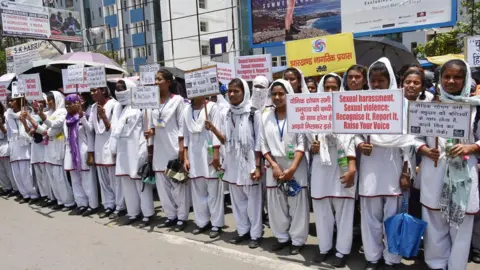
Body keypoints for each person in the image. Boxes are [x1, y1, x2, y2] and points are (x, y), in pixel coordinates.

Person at [416, 59, 480, 270]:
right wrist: (423, 149)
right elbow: (413, 137)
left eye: (457, 77)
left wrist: (472, 147)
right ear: (440, 79)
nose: (451, 81)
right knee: (434, 221)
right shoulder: (426, 107)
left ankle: (457, 266)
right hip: (433, 171)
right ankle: (436, 265)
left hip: (464, 173)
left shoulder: (475, 108)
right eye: (447, 76)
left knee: (461, 223)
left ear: (466, 80)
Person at [356, 58, 414, 270]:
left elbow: (409, 142)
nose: (377, 85)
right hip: (370, 168)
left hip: (394, 169)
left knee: (393, 218)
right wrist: (362, 143)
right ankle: (372, 257)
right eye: (373, 80)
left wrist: (406, 172)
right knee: (370, 218)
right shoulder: (362, 103)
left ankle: (391, 259)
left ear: (390, 80)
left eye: (382, 80)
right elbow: (355, 133)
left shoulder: (403, 104)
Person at [205, 78, 263, 249]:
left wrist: (258, 167)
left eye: (236, 91)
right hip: (233, 164)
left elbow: (259, 143)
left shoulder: (254, 113)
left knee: (253, 203)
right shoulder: (227, 113)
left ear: (244, 92)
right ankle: (242, 231)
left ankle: (255, 234)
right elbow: (225, 140)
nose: (232, 94)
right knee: (238, 203)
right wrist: (213, 129)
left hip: (250, 165)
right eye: (229, 91)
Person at [310, 73, 356, 267]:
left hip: (342, 164)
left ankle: (342, 251)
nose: (330, 91)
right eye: (327, 87)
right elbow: (305, 139)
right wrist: (311, 147)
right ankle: (324, 248)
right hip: (320, 165)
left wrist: (352, 168)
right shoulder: (311, 112)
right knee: (321, 210)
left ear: (340, 89)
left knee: (344, 211)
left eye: (334, 87)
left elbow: (353, 140)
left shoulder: (348, 111)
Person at [260, 79, 309, 255]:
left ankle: (297, 240)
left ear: (289, 94)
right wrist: (273, 165)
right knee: (276, 205)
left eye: (281, 93)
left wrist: (293, 169)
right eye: (274, 94)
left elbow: (302, 143)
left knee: (297, 205)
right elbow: (263, 144)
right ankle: (282, 237)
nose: (278, 97)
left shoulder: (298, 115)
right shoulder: (265, 116)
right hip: (274, 167)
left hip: (295, 165)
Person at [145, 69, 190, 231]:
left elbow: (181, 126)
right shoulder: (151, 101)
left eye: (159, 79)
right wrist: (149, 133)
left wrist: (181, 149)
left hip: (173, 148)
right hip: (159, 150)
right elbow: (152, 126)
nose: (156, 82)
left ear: (168, 82)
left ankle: (182, 217)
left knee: (177, 185)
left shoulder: (177, 100)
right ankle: (171, 215)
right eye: (155, 80)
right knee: (163, 187)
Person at [111, 81, 154, 227]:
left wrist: (147, 150)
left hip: (137, 148)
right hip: (123, 151)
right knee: (127, 183)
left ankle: (147, 214)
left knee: (139, 183)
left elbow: (147, 129)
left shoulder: (140, 105)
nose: (119, 92)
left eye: (122, 89)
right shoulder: (118, 108)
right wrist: (114, 150)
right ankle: (133, 212)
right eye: (117, 89)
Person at [183, 95, 224, 238]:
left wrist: (216, 155)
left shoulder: (212, 107)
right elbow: (185, 136)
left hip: (209, 153)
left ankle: (216, 224)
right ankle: (202, 222)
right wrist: (185, 158)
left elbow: (216, 133)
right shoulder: (186, 110)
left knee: (213, 192)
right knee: (198, 192)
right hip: (194, 156)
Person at [82, 87, 124, 219]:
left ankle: (119, 206)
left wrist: (104, 116)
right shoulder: (93, 107)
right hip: (98, 146)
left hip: (110, 144)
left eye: (95, 90)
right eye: (92, 91)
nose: (92, 93)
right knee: (103, 181)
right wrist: (81, 116)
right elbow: (90, 129)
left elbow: (115, 128)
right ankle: (108, 205)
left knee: (114, 180)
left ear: (104, 91)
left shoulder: (114, 105)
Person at [31, 91, 75, 211]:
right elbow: (43, 130)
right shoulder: (49, 113)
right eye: (48, 100)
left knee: (60, 177)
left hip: (58, 147)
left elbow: (55, 125)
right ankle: (60, 200)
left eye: (50, 100)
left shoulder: (62, 112)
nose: (48, 102)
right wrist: (30, 118)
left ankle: (69, 202)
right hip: (48, 148)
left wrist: (42, 116)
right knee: (52, 177)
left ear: (57, 100)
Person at [64, 94, 99, 216]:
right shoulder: (67, 119)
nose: (68, 106)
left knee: (87, 180)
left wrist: (82, 117)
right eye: (66, 104)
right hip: (71, 153)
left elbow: (90, 132)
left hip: (83, 152)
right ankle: (81, 204)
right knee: (75, 180)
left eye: (70, 103)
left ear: (78, 103)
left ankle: (92, 204)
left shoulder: (86, 115)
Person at [22, 95, 53, 207]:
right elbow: (29, 131)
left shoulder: (48, 114)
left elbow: (44, 130)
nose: (37, 104)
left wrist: (34, 126)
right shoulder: (33, 115)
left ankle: (51, 196)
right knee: (39, 174)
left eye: (40, 102)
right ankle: (44, 196)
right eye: (35, 102)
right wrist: (25, 121)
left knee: (46, 174)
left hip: (44, 147)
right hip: (35, 147)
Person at [7, 96, 38, 203]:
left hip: (24, 146)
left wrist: (24, 120)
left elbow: (31, 129)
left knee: (26, 173)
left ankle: (33, 195)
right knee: (17, 173)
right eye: (9, 101)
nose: (11, 103)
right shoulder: (8, 114)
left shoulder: (26, 112)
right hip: (14, 146)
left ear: (19, 101)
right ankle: (24, 194)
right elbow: (9, 133)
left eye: (13, 100)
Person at [0, 101, 17, 197]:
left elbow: (6, 132)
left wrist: (1, 125)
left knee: (9, 170)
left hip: (5, 145)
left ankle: (15, 188)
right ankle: (6, 187)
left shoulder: (5, 116)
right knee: (1, 171)